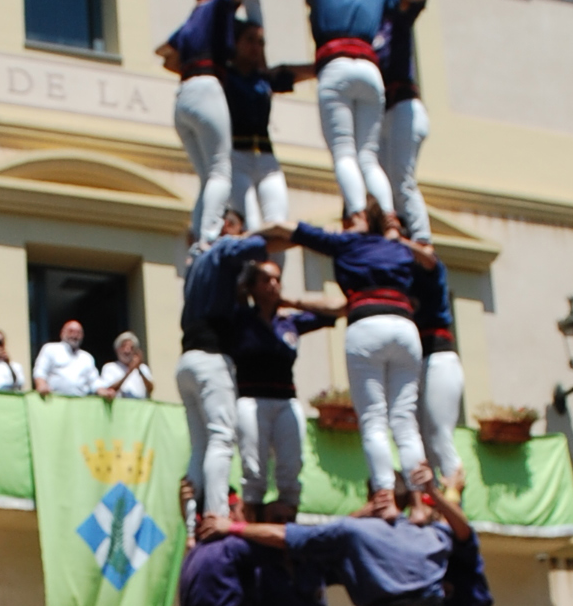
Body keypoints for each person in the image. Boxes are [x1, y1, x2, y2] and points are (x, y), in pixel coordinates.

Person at [218, 475, 464, 606]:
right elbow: (453, 523)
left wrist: (232, 527)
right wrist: (447, 490)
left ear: (371, 497)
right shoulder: (433, 535)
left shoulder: (355, 532)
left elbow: (296, 537)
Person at [235, 0, 410, 223]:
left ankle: (357, 213)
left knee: (343, 152)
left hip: (335, 67)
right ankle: (389, 216)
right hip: (370, 70)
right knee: (368, 156)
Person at [277, 207, 425, 500]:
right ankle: (421, 501)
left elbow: (292, 228)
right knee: (405, 420)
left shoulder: (348, 243)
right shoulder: (400, 249)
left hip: (367, 323)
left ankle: (385, 497)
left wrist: (253, 235)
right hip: (405, 326)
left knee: (373, 420)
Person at [176, 212, 277, 522]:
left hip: (188, 360)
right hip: (210, 357)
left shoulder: (195, 266)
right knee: (221, 439)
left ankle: (194, 522)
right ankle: (215, 514)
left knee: (201, 444)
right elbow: (257, 247)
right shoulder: (220, 252)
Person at [229, 256, 332, 516]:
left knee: (291, 467)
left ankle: (287, 536)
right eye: (266, 280)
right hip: (251, 400)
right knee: (254, 471)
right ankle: (250, 530)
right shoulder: (240, 319)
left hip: (286, 401)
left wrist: (292, 302)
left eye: (277, 280)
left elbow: (335, 310)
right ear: (253, 286)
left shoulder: (290, 322)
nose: (274, 285)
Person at [158, 0, 238, 245]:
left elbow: (164, 54)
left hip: (183, 96)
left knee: (206, 176)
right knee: (220, 171)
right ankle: (208, 236)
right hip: (206, 87)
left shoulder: (192, 20)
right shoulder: (217, 10)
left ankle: (197, 234)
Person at [220, 20, 314, 231]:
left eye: (261, 42)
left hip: (266, 158)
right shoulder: (225, 76)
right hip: (236, 157)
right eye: (250, 40)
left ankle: (275, 264)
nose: (256, 47)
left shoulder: (263, 79)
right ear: (235, 43)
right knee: (250, 223)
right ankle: (254, 263)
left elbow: (297, 72)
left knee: (278, 223)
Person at [376, 0, 433, 247]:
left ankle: (422, 239)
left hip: (404, 108)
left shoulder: (396, 22)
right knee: (384, 183)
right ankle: (399, 232)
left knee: (401, 180)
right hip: (384, 112)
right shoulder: (365, 32)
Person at [415, 255, 464, 492]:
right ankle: (431, 503)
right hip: (414, 361)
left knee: (439, 436)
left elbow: (430, 263)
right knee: (420, 441)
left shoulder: (429, 268)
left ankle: (454, 501)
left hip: (438, 355)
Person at [32, 319, 99, 397]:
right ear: (62, 333)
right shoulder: (50, 349)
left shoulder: (87, 357)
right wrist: (41, 385)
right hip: (55, 400)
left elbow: (94, 381)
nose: (75, 335)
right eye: (71, 331)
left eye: (78, 333)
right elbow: (40, 371)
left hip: (80, 402)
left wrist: (103, 390)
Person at [97, 331, 153, 400]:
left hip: (139, 409)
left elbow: (150, 389)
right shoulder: (110, 367)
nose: (127, 351)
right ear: (117, 350)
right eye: (123, 346)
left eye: (131, 348)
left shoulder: (143, 368)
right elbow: (108, 390)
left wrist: (138, 369)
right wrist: (129, 372)